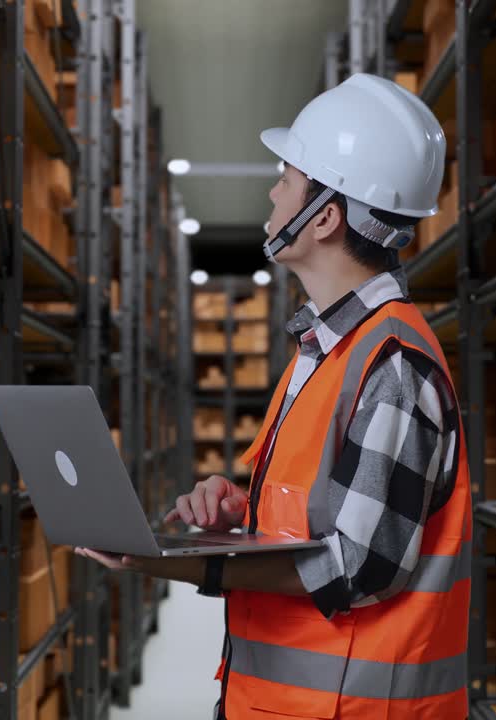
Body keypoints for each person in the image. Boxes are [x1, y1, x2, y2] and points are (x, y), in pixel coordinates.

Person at [77, 73, 472, 719]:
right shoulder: (324, 349)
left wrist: (172, 563)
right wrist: (246, 515)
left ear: (324, 217)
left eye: (286, 177)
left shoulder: (393, 364)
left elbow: (356, 567)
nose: (272, 190)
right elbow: (321, 517)